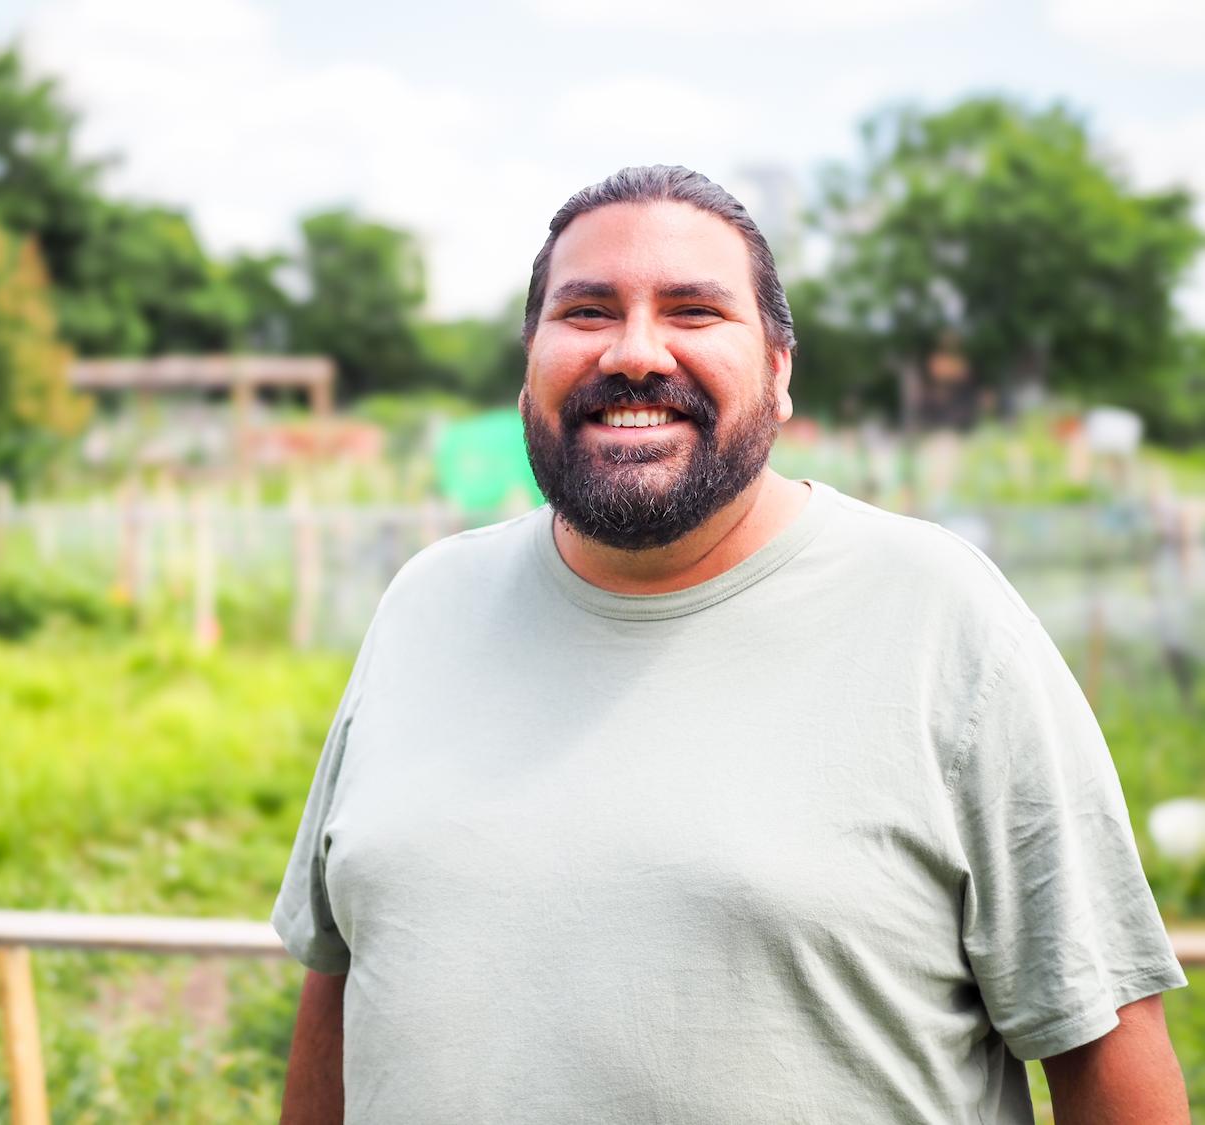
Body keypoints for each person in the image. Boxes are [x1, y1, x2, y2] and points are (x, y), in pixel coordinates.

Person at [271, 165, 1189, 1124]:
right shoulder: (426, 604)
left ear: (781, 371)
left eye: (694, 311)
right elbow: (339, 986)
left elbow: (1105, 1051)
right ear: (528, 364)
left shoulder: (943, 620)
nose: (633, 352)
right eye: (586, 311)